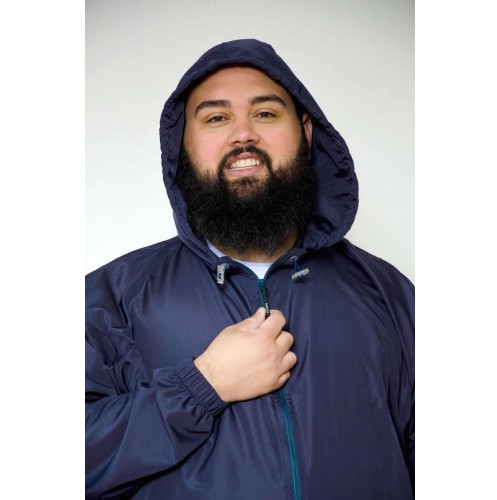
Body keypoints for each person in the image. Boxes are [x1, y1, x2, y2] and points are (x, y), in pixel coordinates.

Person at [86, 39, 414, 499]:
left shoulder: (389, 293)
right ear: (182, 146)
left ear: (305, 132)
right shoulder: (112, 298)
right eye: (216, 118)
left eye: (265, 113)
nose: (243, 135)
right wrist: (202, 387)